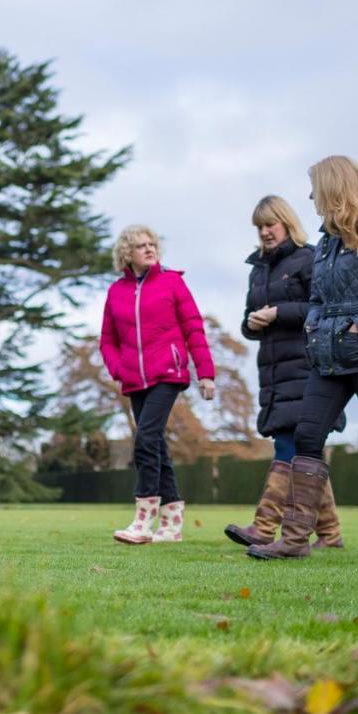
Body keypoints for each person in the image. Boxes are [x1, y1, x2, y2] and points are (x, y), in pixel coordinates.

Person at [248, 156, 358, 561]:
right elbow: (317, 298)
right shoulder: (327, 241)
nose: (310, 196)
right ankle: (293, 541)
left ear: (333, 187)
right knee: (307, 437)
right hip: (327, 359)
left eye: (314, 187)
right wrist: (313, 323)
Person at [225, 196, 344, 550]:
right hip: (274, 372)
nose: (264, 232)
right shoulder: (257, 269)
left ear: (286, 223)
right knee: (305, 451)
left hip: (307, 366)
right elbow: (250, 321)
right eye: (259, 226)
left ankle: (264, 527)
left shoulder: (308, 259)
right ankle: (331, 534)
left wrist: (279, 312)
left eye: (270, 224)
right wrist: (251, 322)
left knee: (289, 445)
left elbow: (322, 308)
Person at [100, 224, 216, 544]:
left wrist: (205, 373)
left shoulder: (173, 283)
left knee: (146, 436)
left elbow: (194, 328)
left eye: (152, 244)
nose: (150, 249)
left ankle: (143, 520)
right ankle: (172, 524)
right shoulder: (116, 292)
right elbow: (107, 340)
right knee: (157, 445)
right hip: (135, 379)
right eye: (141, 246)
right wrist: (118, 369)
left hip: (169, 372)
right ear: (127, 253)